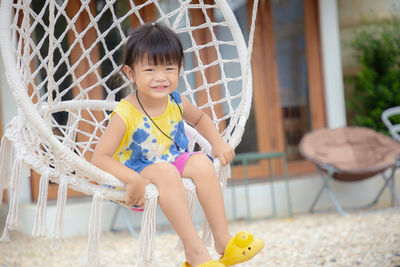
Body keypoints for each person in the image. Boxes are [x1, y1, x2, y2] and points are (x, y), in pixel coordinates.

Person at [92, 23, 264, 267]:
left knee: (203, 164)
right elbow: (100, 158)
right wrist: (133, 179)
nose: (161, 77)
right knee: (167, 172)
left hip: (171, 157)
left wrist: (217, 143)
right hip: (137, 168)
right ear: (130, 74)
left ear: (180, 69)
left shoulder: (175, 99)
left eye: (169, 68)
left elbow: (200, 118)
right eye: (150, 69)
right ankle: (195, 251)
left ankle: (223, 241)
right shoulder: (125, 113)